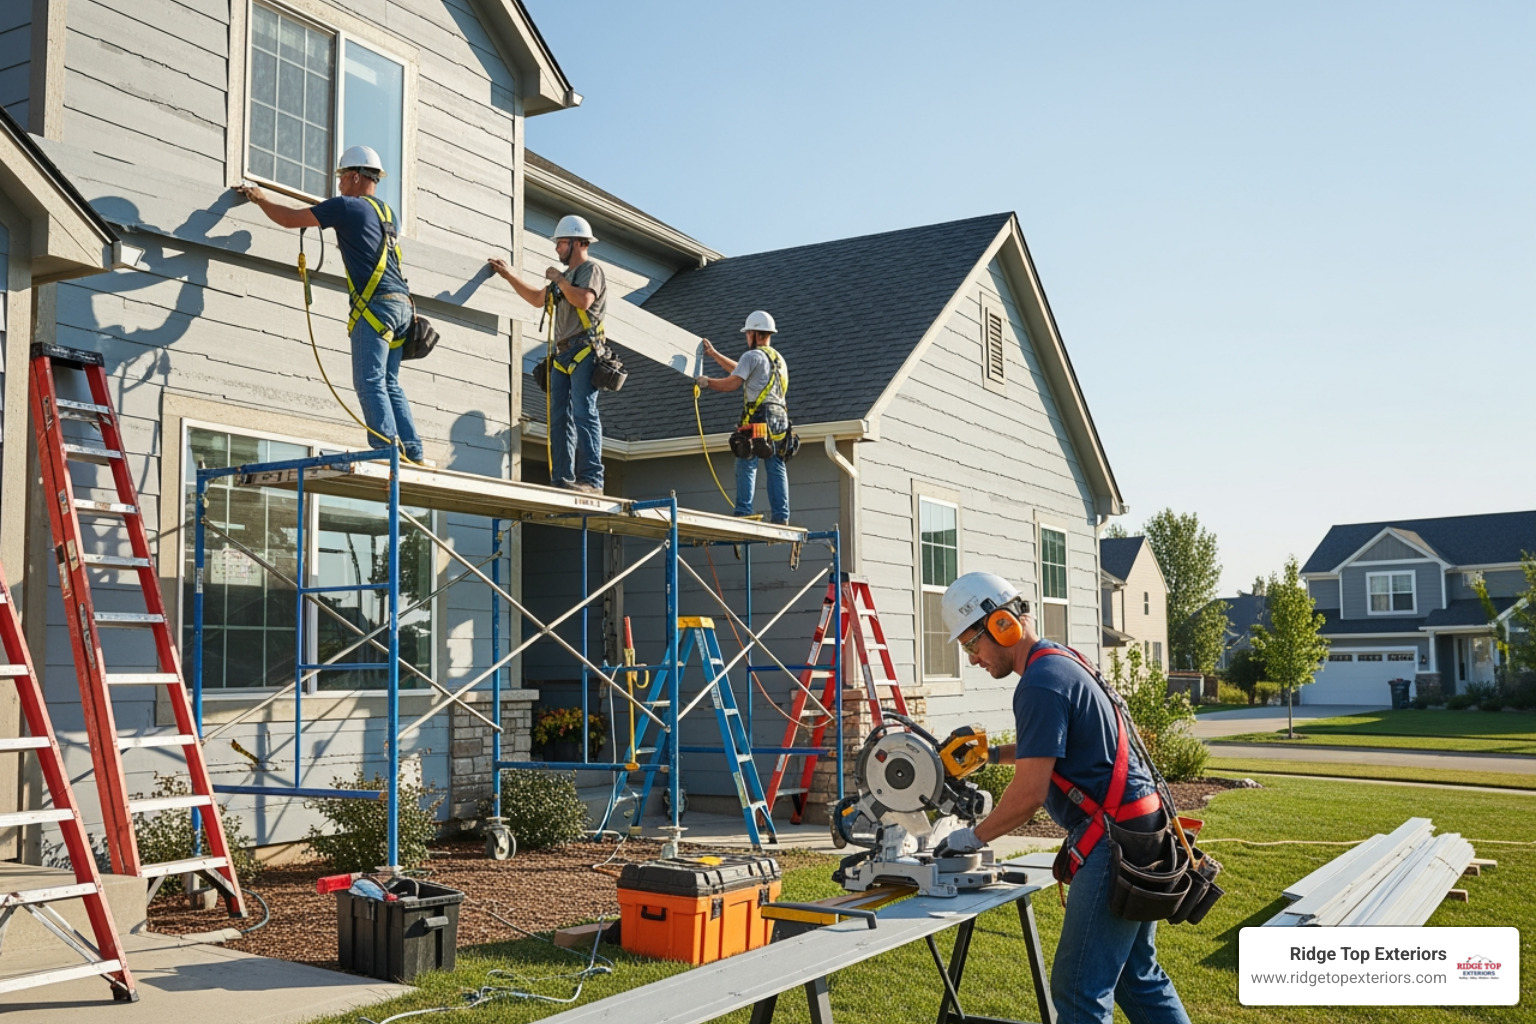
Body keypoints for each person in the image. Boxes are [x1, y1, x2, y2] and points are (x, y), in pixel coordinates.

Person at [936, 572, 1190, 1024]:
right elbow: (1053, 748)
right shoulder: (1063, 662)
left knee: (1077, 991)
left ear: (1001, 627)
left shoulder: (1038, 683)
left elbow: (1029, 796)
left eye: (970, 645)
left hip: (1113, 844)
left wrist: (970, 839)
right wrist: (991, 755)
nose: (972, 659)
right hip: (1141, 831)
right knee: (1138, 977)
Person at [237, 146, 425, 464]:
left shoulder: (347, 207)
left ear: (354, 176)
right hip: (403, 307)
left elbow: (288, 219)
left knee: (369, 380)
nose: (338, 186)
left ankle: (385, 448)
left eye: (341, 178)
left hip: (378, 306)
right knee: (388, 381)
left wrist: (260, 198)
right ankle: (412, 449)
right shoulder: (387, 213)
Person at [488, 216, 608, 494]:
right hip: (562, 354)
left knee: (583, 413)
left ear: (579, 243)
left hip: (584, 350)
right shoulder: (563, 281)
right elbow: (537, 299)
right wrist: (509, 276)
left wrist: (559, 279)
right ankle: (563, 480)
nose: (557, 249)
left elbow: (584, 300)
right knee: (559, 419)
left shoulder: (591, 270)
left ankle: (592, 480)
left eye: (561, 243)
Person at [694, 310, 791, 524]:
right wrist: (716, 355)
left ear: (755, 333)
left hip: (759, 419)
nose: (747, 337)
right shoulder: (778, 359)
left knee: (746, 459)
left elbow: (733, 382)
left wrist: (706, 382)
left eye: (748, 333)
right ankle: (781, 517)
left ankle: (744, 512)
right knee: (776, 464)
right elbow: (740, 370)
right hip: (780, 421)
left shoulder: (752, 356)